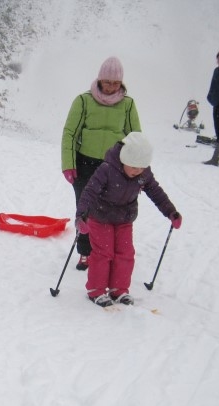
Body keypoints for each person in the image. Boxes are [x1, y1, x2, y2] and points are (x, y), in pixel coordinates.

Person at [75, 132, 182, 307]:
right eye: (133, 166)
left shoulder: (143, 173)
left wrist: (171, 212)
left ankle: (119, 290)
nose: (137, 171)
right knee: (104, 253)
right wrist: (81, 216)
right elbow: (89, 192)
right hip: (100, 217)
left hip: (124, 219)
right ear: (124, 159)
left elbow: (156, 192)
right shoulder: (107, 169)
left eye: (141, 167)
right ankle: (96, 290)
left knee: (125, 253)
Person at [61, 56, 142, 271]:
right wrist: (68, 164)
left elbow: (135, 137)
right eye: (107, 82)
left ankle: (105, 251)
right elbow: (70, 133)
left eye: (116, 83)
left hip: (114, 166)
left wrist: (137, 166)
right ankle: (85, 252)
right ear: (99, 80)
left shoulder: (128, 104)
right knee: (85, 208)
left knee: (111, 209)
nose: (111, 87)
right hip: (85, 163)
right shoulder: (83, 101)